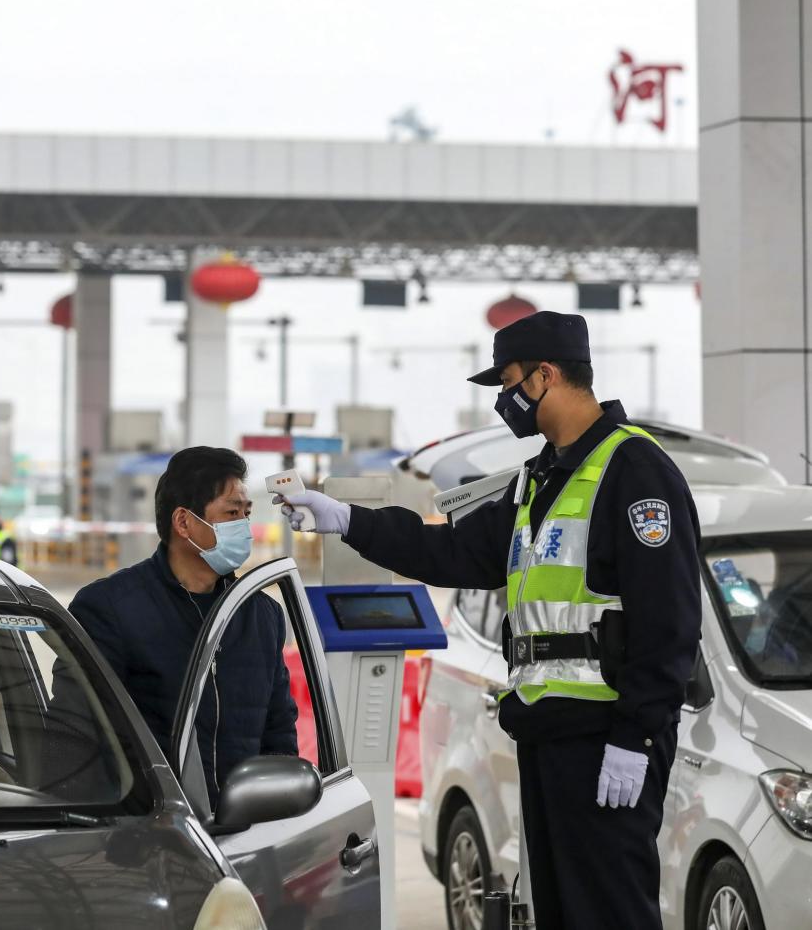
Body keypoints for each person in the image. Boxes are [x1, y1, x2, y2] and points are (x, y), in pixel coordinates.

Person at [277, 311, 700, 930]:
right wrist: (346, 519)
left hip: (605, 738)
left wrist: (635, 737)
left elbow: (670, 620)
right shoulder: (540, 479)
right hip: (547, 733)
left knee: (608, 910)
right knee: (561, 911)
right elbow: (452, 551)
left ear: (546, 376)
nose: (505, 401)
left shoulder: (635, 471)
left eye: (509, 384)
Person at [59, 446, 297, 806]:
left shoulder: (260, 614)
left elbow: (279, 734)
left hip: (245, 836)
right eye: (232, 513)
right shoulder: (111, 609)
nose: (244, 527)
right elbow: (77, 733)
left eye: (246, 514)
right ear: (184, 522)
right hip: (152, 834)